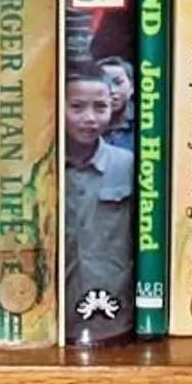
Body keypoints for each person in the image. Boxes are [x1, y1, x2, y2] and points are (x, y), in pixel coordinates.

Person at [62, 63, 136, 330]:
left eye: (100, 107)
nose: (90, 118)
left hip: (117, 315)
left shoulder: (129, 166)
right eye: (78, 107)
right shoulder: (43, 170)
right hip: (58, 316)